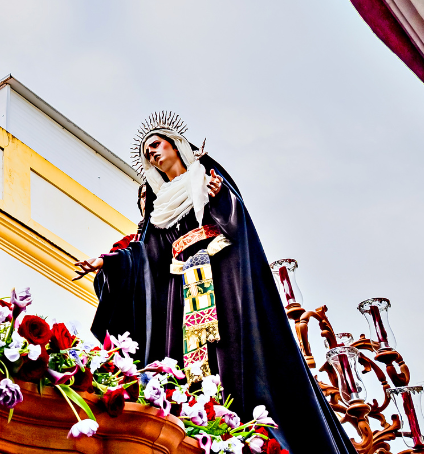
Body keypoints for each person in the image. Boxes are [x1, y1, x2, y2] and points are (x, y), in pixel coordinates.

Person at [76, 112, 356, 454]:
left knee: (226, 347)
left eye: (156, 145)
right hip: (180, 286)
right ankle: (199, 415)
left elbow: (237, 223)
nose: (153, 154)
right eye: (147, 153)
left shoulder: (206, 176)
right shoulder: (159, 206)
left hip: (220, 273)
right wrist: (107, 262)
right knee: (187, 351)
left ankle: (236, 415)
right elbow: (146, 253)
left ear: (176, 144)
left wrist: (220, 197)